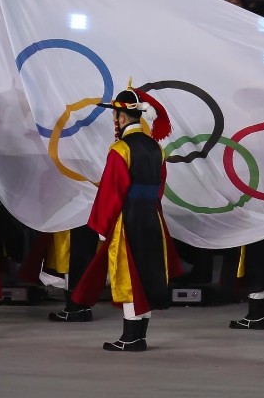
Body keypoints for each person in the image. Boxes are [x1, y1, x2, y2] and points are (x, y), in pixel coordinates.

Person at [71, 84, 182, 352]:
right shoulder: (157, 149)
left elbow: (111, 191)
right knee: (147, 272)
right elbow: (160, 187)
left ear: (120, 118)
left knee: (129, 274)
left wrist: (102, 226)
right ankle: (139, 335)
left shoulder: (120, 149)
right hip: (151, 216)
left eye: (115, 116)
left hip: (128, 217)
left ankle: (130, 338)